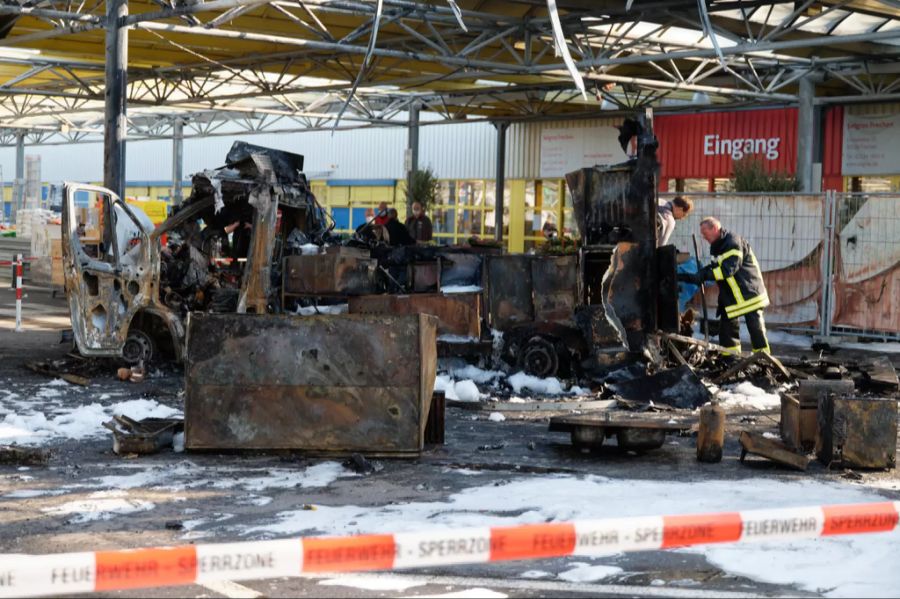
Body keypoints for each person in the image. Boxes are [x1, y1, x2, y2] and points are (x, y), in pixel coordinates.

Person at [679, 217, 770, 355]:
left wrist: (705, 275)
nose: (703, 237)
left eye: (705, 233)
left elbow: (727, 270)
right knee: (727, 331)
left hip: (748, 294)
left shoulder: (733, 243)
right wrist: (702, 272)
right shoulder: (717, 246)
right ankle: (729, 358)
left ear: (714, 229)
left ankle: (763, 357)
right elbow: (716, 266)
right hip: (732, 296)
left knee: (755, 328)